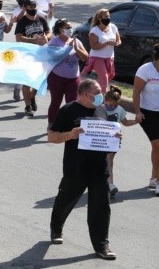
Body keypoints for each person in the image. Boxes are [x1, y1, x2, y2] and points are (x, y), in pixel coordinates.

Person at [48, 79, 118, 260]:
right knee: (66, 200)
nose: (101, 95)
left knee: (101, 207)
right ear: (85, 94)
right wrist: (70, 135)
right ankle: (56, 228)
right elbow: (52, 137)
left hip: (99, 168)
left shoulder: (101, 110)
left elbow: (107, 137)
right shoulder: (67, 111)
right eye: (97, 92)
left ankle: (102, 246)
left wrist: (115, 137)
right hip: (76, 168)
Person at [132, 43, 159, 196]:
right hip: (149, 113)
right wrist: (137, 112)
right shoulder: (146, 69)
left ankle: (153, 178)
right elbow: (136, 92)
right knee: (158, 145)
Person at [47, 19, 89, 128]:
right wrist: (67, 49)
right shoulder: (54, 42)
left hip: (73, 78)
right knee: (56, 101)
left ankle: (70, 126)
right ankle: (51, 125)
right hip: (57, 77)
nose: (70, 30)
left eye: (71, 27)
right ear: (61, 29)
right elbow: (52, 57)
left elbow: (85, 57)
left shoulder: (76, 41)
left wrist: (76, 48)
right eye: (67, 28)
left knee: (73, 103)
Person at [97, 86, 136, 199]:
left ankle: (110, 185)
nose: (112, 107)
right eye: (110, 105)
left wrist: (137, 121)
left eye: (114, 105)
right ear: (105, 101)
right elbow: (94, 124)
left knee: (109, 161)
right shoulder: (99, 109)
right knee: (100, 162)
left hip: (113, 140)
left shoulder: (120, 110)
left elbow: (125, 122)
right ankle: (102, 184)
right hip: (100, 140)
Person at [14, 0, 51, 117]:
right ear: (25, 8)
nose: (33, 8)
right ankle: (27, 106)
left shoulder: (41, 19)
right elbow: (18, 37)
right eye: (30, 7)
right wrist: (34, 40)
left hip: (40, 54)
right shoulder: (22, 21)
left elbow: (49, 31)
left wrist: (46, 38)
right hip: (27, 55)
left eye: (34, 6)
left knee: (37, 80)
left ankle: (32, 96)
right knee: (27, 82)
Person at [83, 8, 121, 93]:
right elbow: (94, 46)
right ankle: (101, 98)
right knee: (104, 77)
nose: (108, 18)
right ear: (99, 18)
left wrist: (117, 43)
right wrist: (106, 43)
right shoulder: (94, 30)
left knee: (109, 76)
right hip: (97, 57)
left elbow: (118, 40)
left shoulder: (113, 27)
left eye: (109, 16)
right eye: (105, 16)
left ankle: (92, 92)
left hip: (109, 57)